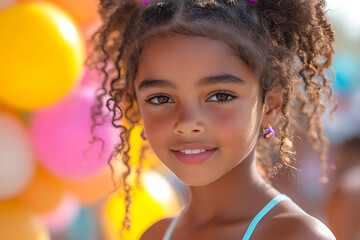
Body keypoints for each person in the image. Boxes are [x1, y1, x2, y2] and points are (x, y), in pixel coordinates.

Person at [87, 0, 337, 239]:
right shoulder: (155, 235)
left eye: (220, 96)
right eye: (161, 98)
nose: (187, 122)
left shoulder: (297, 236)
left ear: (270, 106)